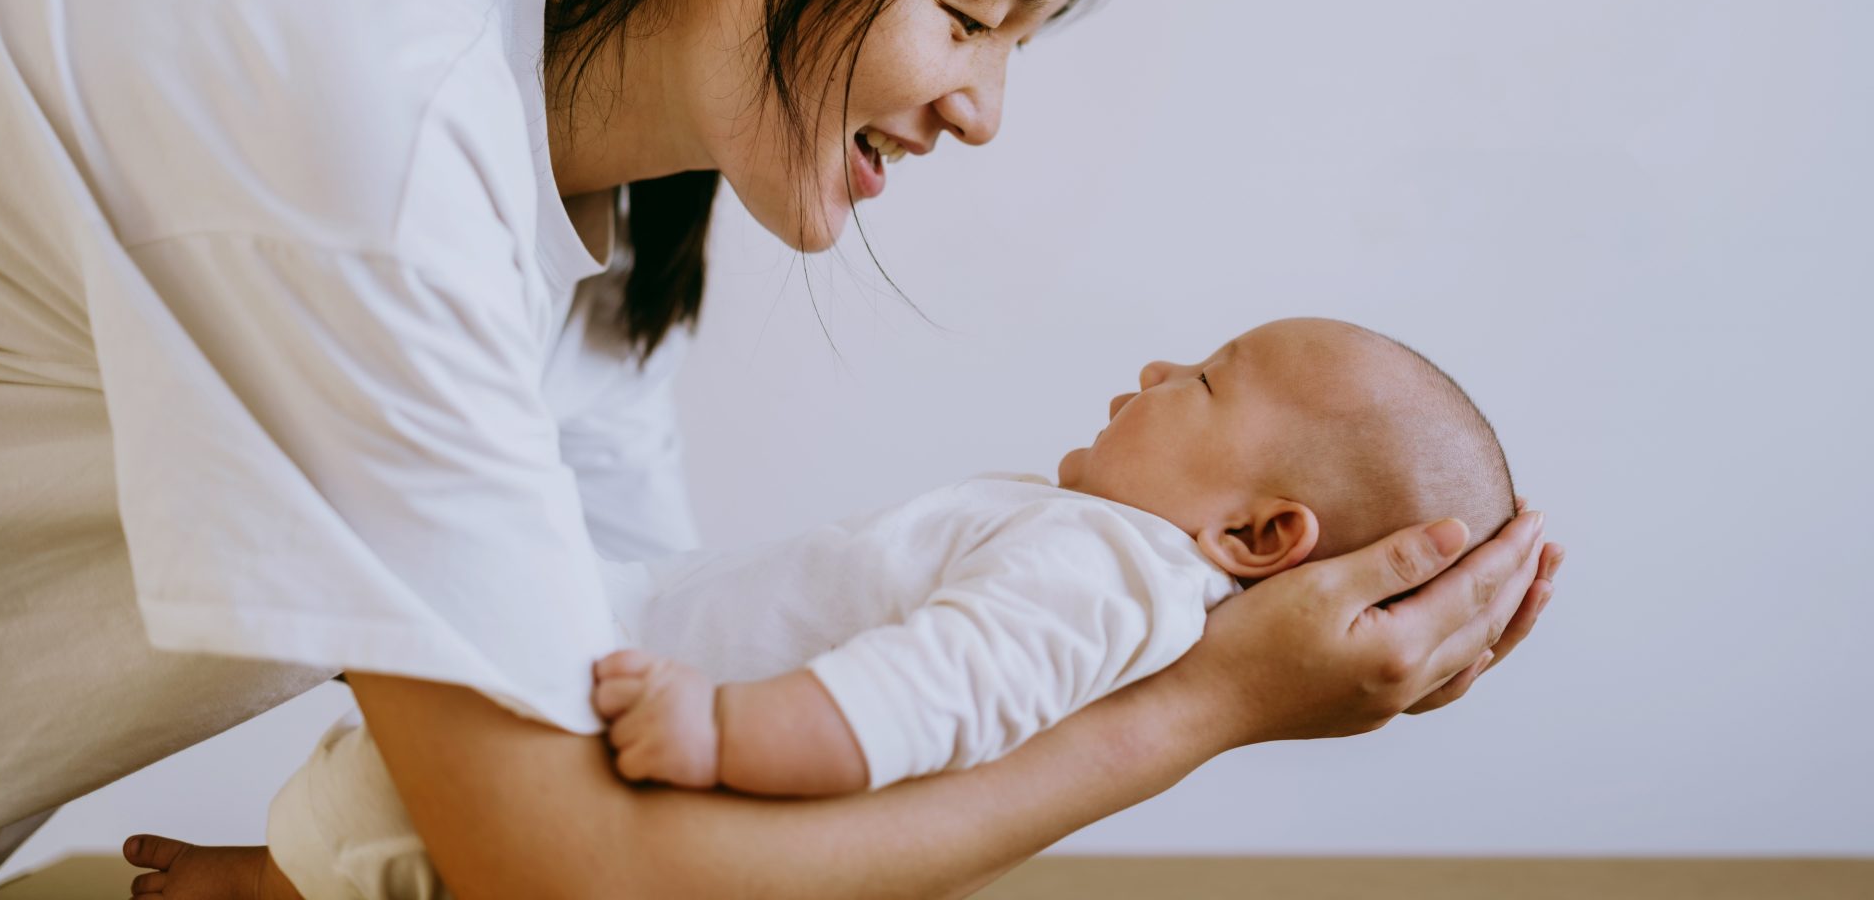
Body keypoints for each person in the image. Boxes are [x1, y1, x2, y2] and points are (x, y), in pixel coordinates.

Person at [0, 0, 1562, 897]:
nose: (983, 109)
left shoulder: (576, 223)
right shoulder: (367, 125)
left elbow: (637, 744)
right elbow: (570, 873)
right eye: (970, 14)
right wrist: (1208, 707)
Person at [119, 315, 1522, 900]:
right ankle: (268, 875)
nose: (1157, 367)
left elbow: (921, 698)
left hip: (595, 756)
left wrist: (724, 733)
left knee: (391, 857)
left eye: (1204, 382)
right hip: (537, 748)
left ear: (1262, 534)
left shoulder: (1113, 571)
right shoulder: (1106, 561)